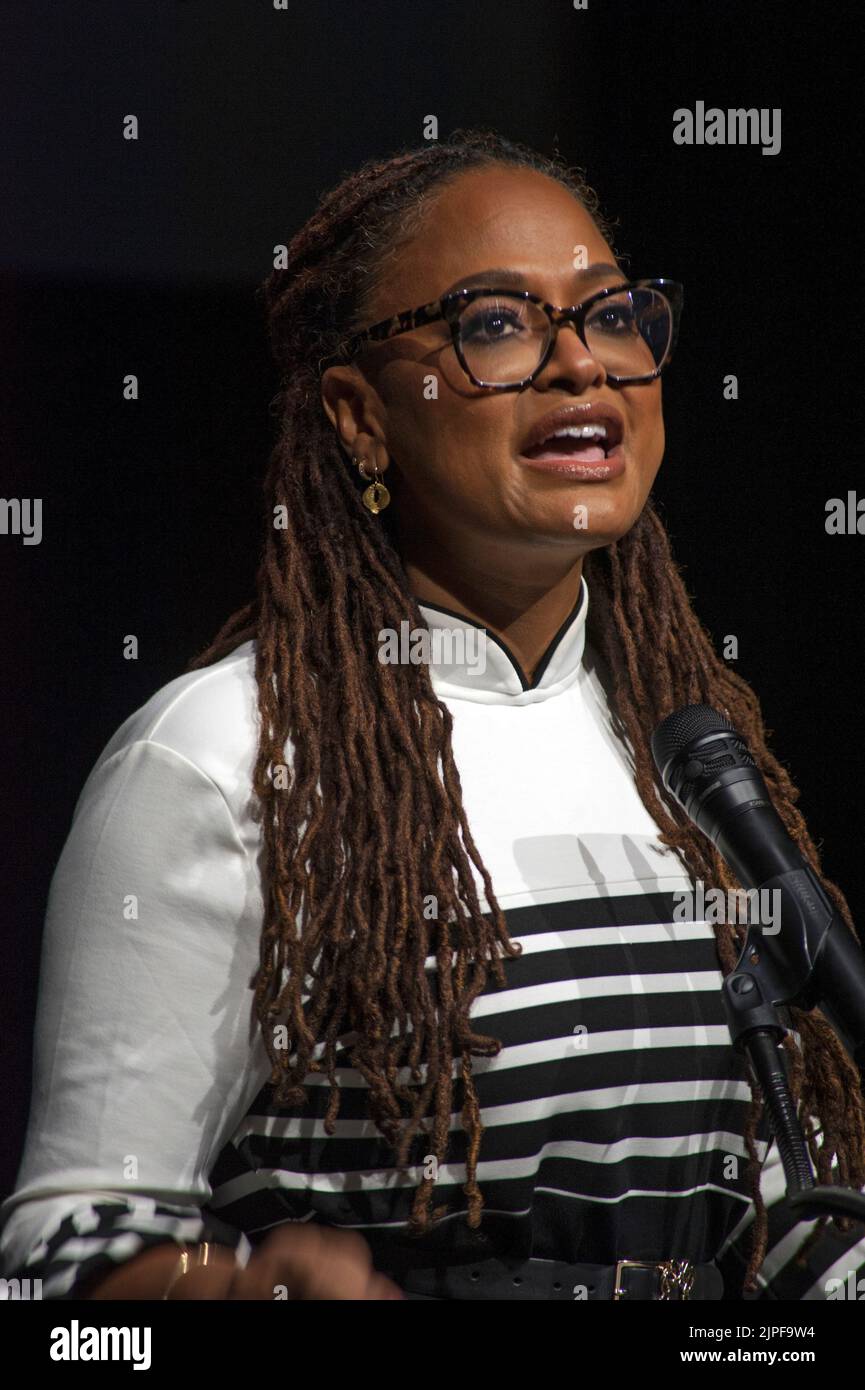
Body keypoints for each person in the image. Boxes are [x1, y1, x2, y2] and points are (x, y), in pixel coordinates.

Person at [3, 129, 865, 1302]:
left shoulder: (694, 753)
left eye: (610, 313)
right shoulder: (217, 758)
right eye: (496, 324)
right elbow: (60, 1275)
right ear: (360, 414)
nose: (582, 367)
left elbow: (786, 1222)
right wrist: (230, 1292)